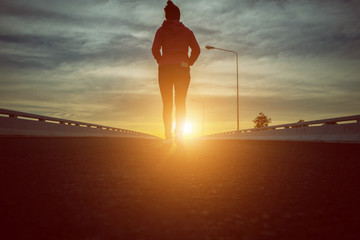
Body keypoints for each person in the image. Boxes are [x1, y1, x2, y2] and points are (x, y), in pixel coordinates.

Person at [152, 0, 200, 145]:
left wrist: (161, 60)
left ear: (166, 17)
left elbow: (155, 49)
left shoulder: (161, 31)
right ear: (179, 17)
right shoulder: (187, 32)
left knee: (167, 103)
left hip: (165, 69)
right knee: (180, 102)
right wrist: (189, 62)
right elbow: (197, 50)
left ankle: (168, 136)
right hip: (182, 69)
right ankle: (179, 134)